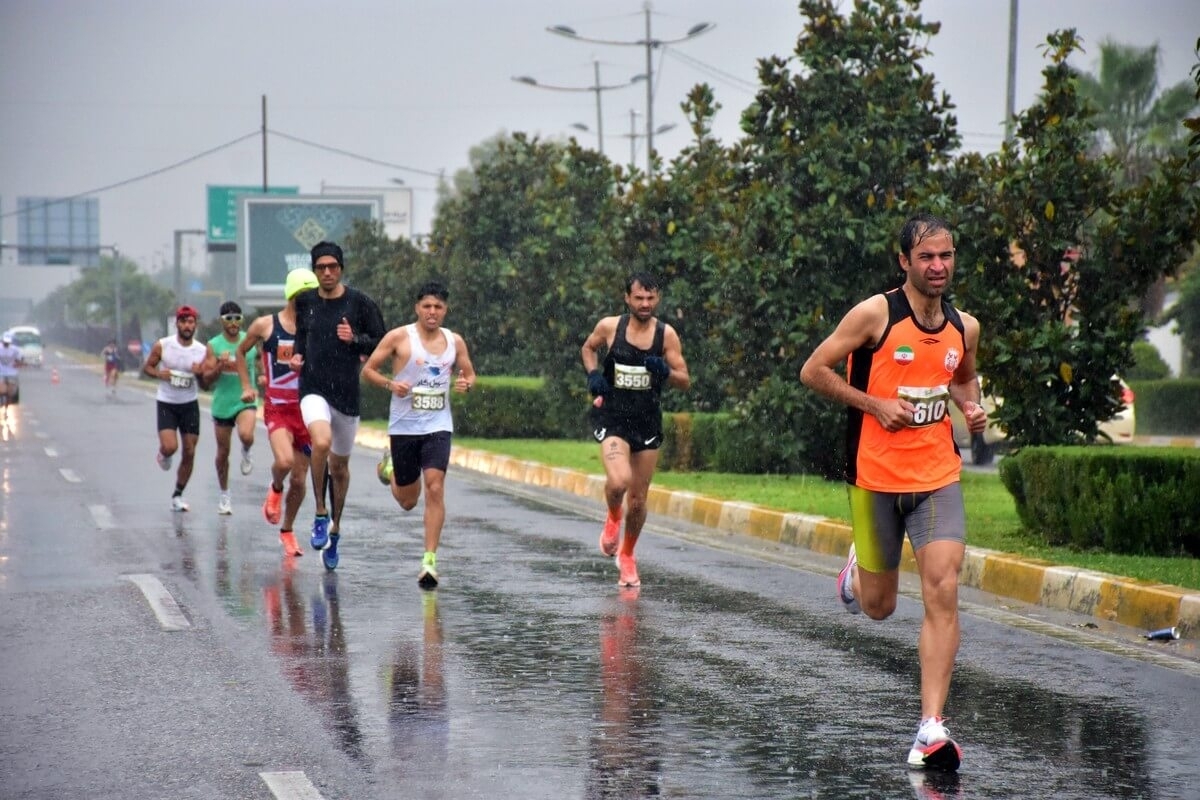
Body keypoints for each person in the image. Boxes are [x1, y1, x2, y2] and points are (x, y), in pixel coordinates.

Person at [798, 213, 988, 772]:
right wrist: (875, 404)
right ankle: (857, 573)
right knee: (879, 608)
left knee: (943, 587)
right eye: (926, 257)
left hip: (937, 478)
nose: (938, 267)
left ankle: (931, 727)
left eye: (946, 256)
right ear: (904, 261)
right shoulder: (875, 314)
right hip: (875, 479)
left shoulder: (963, 326)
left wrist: (971, 407)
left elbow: (961, 376)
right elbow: (814, 370)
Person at [361, 281, 476, 588]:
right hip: (404, 428)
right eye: (427, 306)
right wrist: (390, 385)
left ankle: (429, 560)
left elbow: (468, 372)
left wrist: (467, 383)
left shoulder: (455, 341)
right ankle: (390, 470)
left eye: (438, 307)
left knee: (435, 487)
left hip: (438, 426)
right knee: (408, 501)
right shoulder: (399, 337)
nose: (432, 312)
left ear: (445, 310)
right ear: (417, 308)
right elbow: (369, 370)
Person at [580, 272, 690, 588]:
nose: (644, 304)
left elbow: (685, 380)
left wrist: (665, 371)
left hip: (646, 421)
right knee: (619, 482)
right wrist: (592, 375)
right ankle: (614, 515)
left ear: (658, 299)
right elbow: (588, 349)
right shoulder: (610, 327)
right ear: (627, 298)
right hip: (613, 417)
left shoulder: (666, 335)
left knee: (639, 501)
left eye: (650, 298)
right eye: (638, 298)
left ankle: (627, 555)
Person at [289, 241, 387, 571]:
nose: (327, 273)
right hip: (313, 388)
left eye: (333, 267)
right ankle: (319, 512)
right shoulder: (305, 303)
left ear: (341, 268)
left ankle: (336, 529)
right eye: (321, 268)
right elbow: (301, 338)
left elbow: (382, 343)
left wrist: (355, 340)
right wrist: (298, 357)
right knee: (320, 442)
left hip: (346, 394)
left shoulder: (360, 304)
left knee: (341, 468)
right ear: (314, 270)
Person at [237, 269, 320, 557]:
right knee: (283, 462)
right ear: (291, 295)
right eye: (303, 296)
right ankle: (274, 489)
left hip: (307, 409)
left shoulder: (316, 327)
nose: (309, 302)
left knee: (299, 480)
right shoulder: (265, 325)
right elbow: (241, 351)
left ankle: (287, 529)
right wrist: (248, 385)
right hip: (278, 407)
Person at [143, 305, 216, 512]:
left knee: (190, 451)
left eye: (190, 322)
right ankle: (163, 454)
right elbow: (147, 367)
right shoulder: (163, 345)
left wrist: (201, 373)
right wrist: (159, 374)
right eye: (183, 322)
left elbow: (206, 386)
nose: (187, 326)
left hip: (189, 404)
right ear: (177, 324)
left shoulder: (202, 351)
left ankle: (177, 494)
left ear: (195, 325)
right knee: (170, 447)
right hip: (167, 402)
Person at [204, 301, 258, 515]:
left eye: (238, 318)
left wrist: (262, 376)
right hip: (223, 402)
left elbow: (261, 361)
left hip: (245, 398)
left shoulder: (249, 340)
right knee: (223, 452)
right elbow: (207, 378)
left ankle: (246, 450)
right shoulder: (214, 345)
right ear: (222, 321)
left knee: (246, 435)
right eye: (229, 319)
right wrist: (219, 364)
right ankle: (224, 494)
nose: (234, 323)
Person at [0, 332, 21, 412]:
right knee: (1, 390)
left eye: (8, 342)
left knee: (10, 392)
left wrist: (18, 364)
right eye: (5, 342)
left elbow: (19, 360)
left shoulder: (16, 350)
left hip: (12, 373)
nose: (6, 344)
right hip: (1, 373)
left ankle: (7, 407)